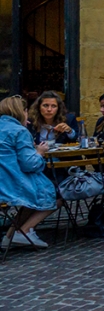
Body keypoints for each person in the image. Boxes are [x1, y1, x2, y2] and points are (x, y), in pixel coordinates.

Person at [0, 96, 56, 250]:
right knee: (56, 194)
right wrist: (39, 152)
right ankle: (24, 232)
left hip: (4, 182)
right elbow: (29, 164)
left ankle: (10, 237)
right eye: (25, 111)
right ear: (21, 111)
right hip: (9, 185)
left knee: (31, 197)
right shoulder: (19, 131)